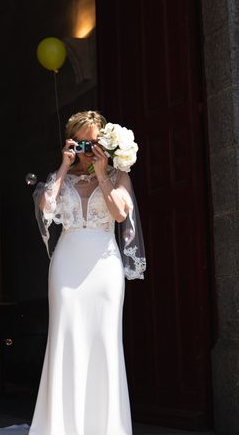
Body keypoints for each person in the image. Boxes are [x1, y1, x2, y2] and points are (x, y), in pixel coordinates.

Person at [30, 110, 146, 435]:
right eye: (80, 142)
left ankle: (105, 426)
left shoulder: (119, 176)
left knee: (104, 339)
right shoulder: (60, 175)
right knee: (65, 336)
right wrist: (65, 166)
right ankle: (61, 426)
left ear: (104, 143)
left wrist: (102, 174)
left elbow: (120, 213)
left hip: (104, 267)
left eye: (93, 142)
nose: (86, 148)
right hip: (66, 265)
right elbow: (46, 208)